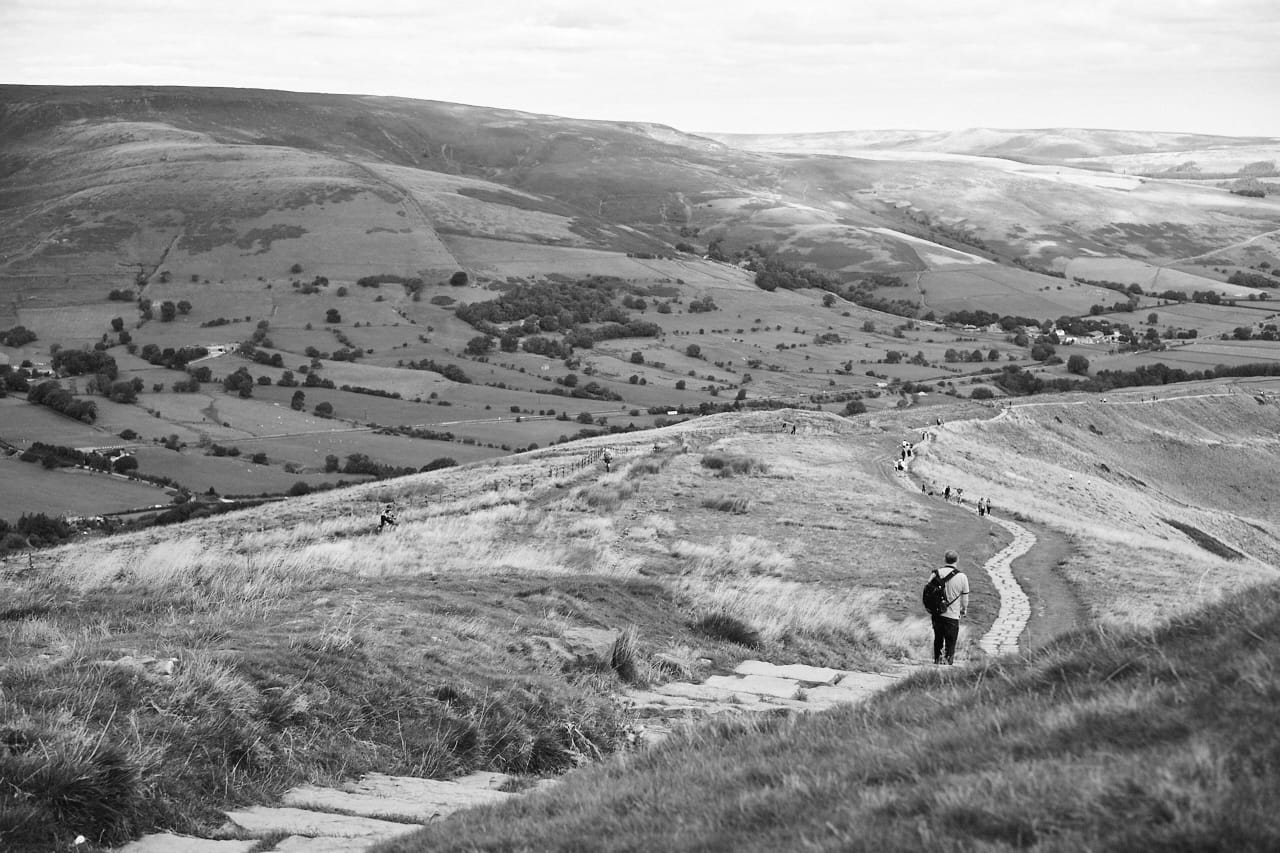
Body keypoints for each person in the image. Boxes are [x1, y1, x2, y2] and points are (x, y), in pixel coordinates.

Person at [930, 550, 969, 665]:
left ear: (945, 559)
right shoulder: (962, 577)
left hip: (937, 613)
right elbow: (965, 598)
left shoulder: (936, 573)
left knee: (938, 638)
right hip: (952, 614)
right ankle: (948, 661)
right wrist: (964, 609)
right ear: (957, 560)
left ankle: (937, 660)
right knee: (951, 641)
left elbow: (929, 591)